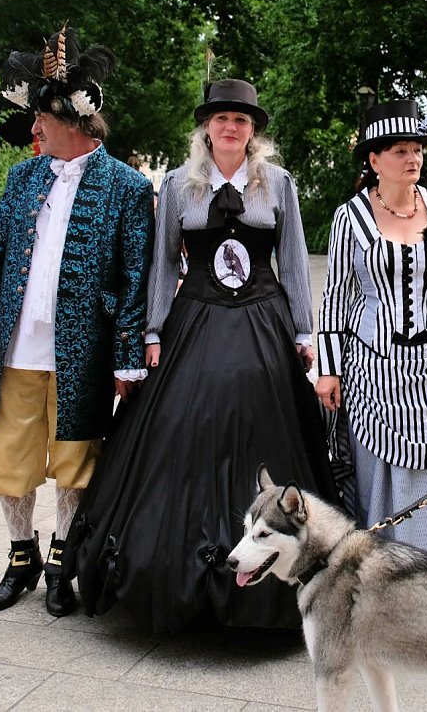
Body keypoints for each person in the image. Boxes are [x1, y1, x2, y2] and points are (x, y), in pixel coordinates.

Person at [62, 79, 337, 632]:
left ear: (253, 128)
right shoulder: (178, 185)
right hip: (196, 318)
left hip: (264, 321)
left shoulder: (278, 184)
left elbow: (292, 260)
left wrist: (305, 334)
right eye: (220, 118)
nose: (230, 127)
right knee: (182, 422)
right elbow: (164, 264)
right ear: (206, 127)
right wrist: (153, 329)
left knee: (265, 424)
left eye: (240, 119)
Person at [0, 26, 154, 617]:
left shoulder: (124, 186)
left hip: (84, 353)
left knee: (75, 460)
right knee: (11, 459)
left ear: (69, 121)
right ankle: (20, 556)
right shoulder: (22, 178)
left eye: (40, 121)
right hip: (18, 348)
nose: (33, 130)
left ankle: (63, 558)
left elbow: (134, 278)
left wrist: (126, 354)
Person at [315, 100, 427, 558]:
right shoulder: (351, 217)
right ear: (374, 160)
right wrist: (329, 370)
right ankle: (384, 583)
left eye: (418, 149)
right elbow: (336, 298)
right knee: (377, 476)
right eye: (400, 149)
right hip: (372, 366)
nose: (413, 158)